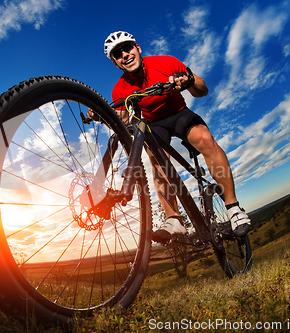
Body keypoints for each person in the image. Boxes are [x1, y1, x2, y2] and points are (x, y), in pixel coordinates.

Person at [102, 31, 251, 242]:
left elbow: (202, 89)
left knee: (205, 140)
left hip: (179, 113)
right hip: (154, 124)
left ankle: (233, 208)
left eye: (128, 48)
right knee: (158, 165)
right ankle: (174, 219)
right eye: (118, 54)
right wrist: (101, 115)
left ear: (138, 48)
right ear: (116, 63)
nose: (125, 54)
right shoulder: (120, 89)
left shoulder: (166, 62)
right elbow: (123, 120)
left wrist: (188, 81)